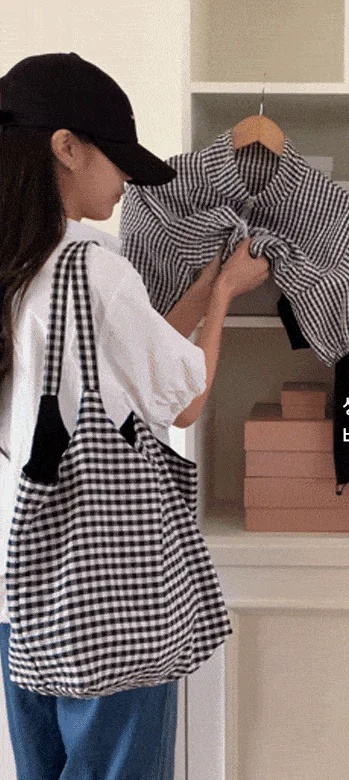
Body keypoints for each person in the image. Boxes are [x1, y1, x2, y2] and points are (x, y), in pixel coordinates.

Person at [0, 52, 269, 780]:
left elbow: (119, 366)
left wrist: (198, 294)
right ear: (66, 147)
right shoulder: (92, 267)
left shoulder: (20, 266)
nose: (125, 180)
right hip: (102, 593)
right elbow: (183, 400)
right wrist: (225, 297)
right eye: (116, 156)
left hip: (19, 588)